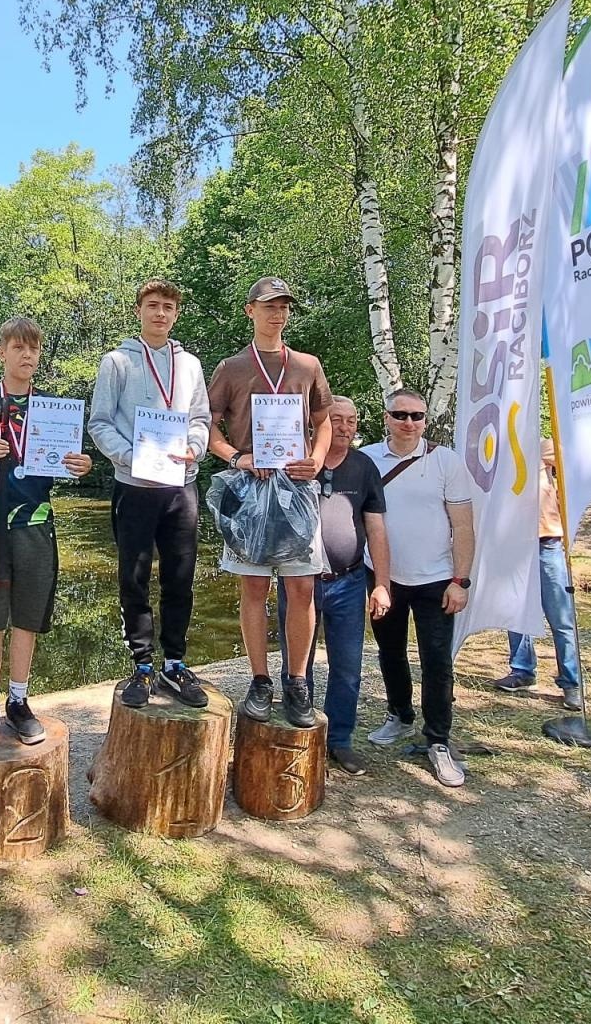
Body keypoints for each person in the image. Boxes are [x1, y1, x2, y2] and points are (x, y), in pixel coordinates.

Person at [0, 318, 91, 751]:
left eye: (33, 348)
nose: (27, 355)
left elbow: (65, 463)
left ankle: (18, 701)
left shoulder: (52, 409)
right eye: (18, 347)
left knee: (28, 618)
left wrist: (80, 466)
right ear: (2, 352)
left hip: (35, 522)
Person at [205, 276, 333, 728]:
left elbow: (324, 422)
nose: (276, 314)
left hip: (296, 489)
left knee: (301, 588)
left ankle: (296, 681)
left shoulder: (307, 364)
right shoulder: (232, 367)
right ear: (250, 311)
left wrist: (316, 460)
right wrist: (238, 457)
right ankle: (260, 680)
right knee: (254, 589)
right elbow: (208, 428)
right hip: (250, 491)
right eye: (268, 306)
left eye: (283, 307)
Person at [88, 280, 212, 708]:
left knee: (180, 576)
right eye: (153, 306)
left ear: (176, 314)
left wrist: (195, 446)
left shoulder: (191, 364)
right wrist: (129, 457)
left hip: (181, 486)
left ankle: (175, 662)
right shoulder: (117, 362)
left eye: (168, 307)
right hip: (135, 486)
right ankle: (141, 665)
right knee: (134, 577)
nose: (161, 313)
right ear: (140, 310)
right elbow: (100, 423)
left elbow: (201, 418)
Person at [360, 388, 475, 788]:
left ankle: (439, 740)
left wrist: (460, 580)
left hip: (436, 579)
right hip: (383, 578)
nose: (409, 423)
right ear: (386, 417)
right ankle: (400, 714)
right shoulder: (368, 459)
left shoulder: (446, 462)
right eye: (400, 415)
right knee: (390, 652)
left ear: (426, 419)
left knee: (437, 661)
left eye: (417, 416)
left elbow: (462, 525)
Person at [275, 397, 391, 775]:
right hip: (299, 582)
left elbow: (375, 528)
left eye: (352, 420)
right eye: (336, 420)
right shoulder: (297, 462)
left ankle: (339, 741)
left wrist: (382, 584)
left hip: (349, 581)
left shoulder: (364, 467)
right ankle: (298, 734)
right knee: (297, 664)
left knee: (347, 667)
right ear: (318, 425)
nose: (344, 427)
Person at [492, 439, 584, 711]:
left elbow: (576, 470)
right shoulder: (494, 450)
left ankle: (571, 683)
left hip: (547, 541)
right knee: (516, 611)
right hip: (512, 542)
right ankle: (522, 670)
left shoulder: (542, 445)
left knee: (561, 617)